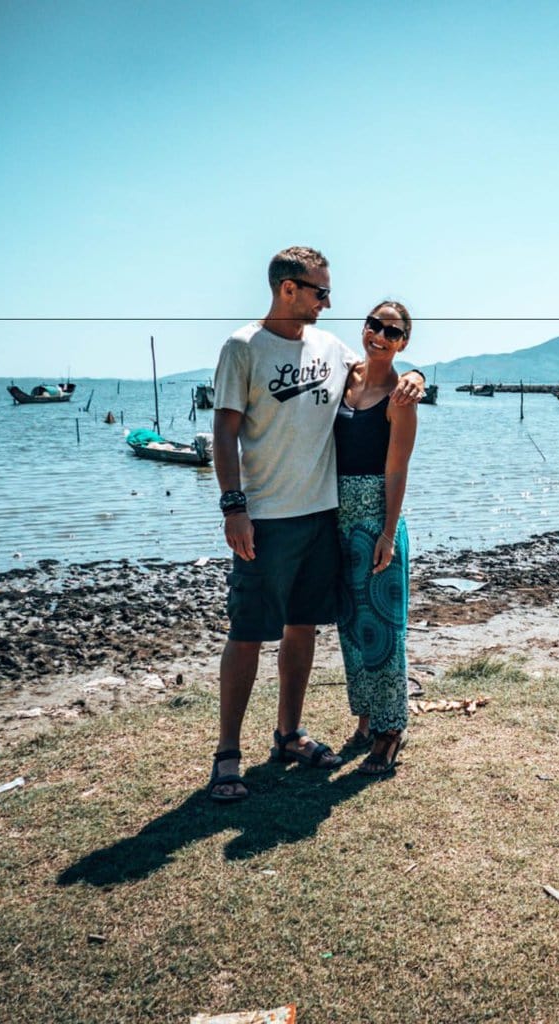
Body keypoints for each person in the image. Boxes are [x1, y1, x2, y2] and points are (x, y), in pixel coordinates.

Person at [208, 247, 424, 803]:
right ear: (288, 289)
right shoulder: (242, 347)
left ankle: (289, 734)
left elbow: (384, 367)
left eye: (328, 293)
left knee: (303, 627)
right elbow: (224, 431)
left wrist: (417, 374)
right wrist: (234, 506)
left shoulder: (331, 348)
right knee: (248, 632)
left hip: (324, 518)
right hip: (265, 519)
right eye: (319, 291)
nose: (328, 302)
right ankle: (228, 755)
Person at [334, 301, 419, 775]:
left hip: (376, 518)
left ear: (403, 342)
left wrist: (388, 530)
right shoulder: (343, 379)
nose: (380, 335)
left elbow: (397, 469)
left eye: (392, 331)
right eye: (374, 325)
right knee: (350, 625)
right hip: (336, 517)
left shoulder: (400, 398)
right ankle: (365, 718)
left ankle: (390, 729)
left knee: (384, 628)